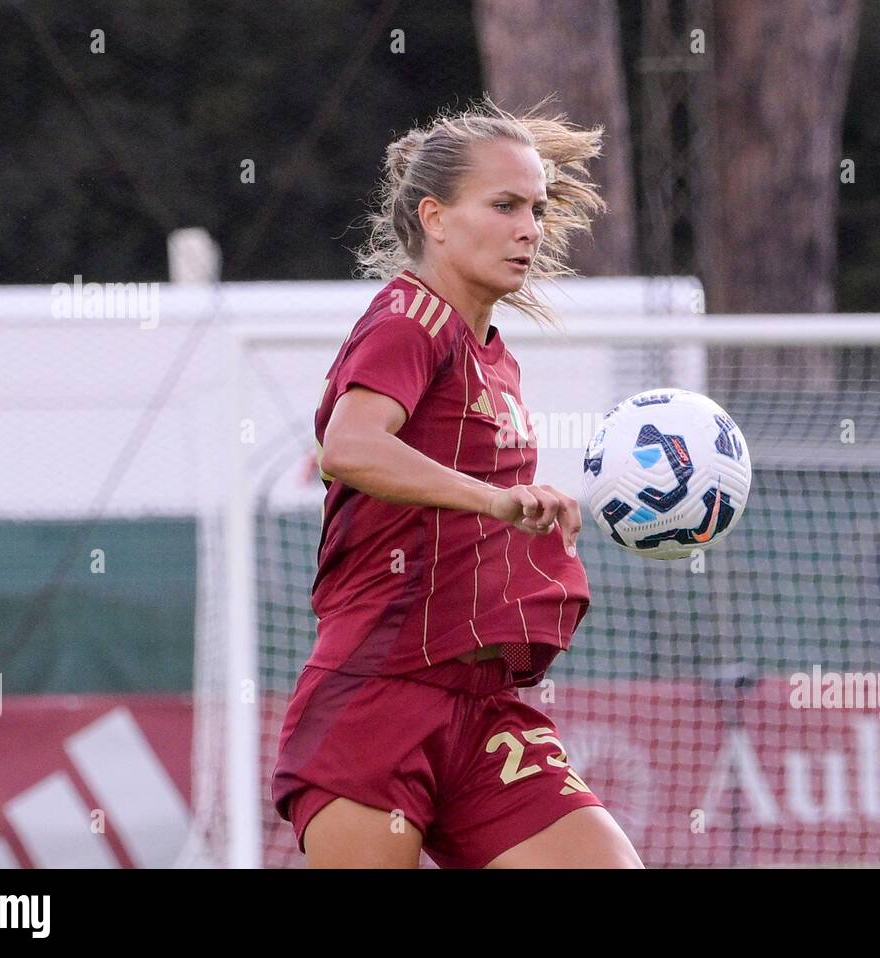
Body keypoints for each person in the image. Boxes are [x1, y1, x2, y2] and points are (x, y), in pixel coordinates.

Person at [272, 97, 644, 868]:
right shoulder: (410, 321)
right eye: (504, 205)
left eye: (537, 208)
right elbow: (349, 446)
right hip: (377, 697)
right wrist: (499, 500)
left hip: (482, 710)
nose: (530, 228)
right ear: (435, 218)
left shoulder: (494, 358)